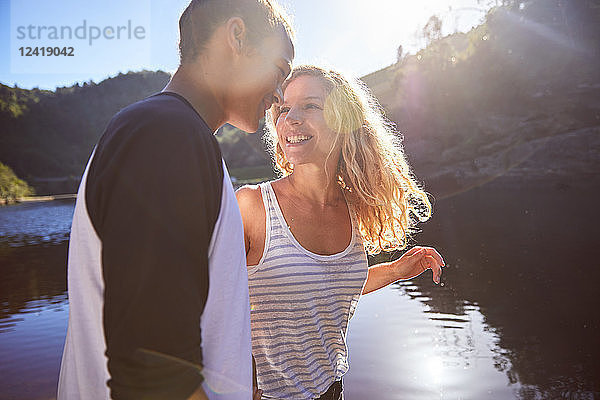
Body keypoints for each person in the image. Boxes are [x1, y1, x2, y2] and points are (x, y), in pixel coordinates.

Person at [57, 1, 294, 399]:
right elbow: (154, 376)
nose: (279, 93)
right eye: (280, 69)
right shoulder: (165, 135)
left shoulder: (176, 135)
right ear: (236, 36)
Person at [236, 65, 445, 399]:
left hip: (331, 389)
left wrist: (394, 270)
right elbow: (208, 303)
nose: (291, 118)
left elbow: (324, 288)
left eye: (310, 106)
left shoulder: (353, 210)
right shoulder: (252, 206)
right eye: (283, 109)